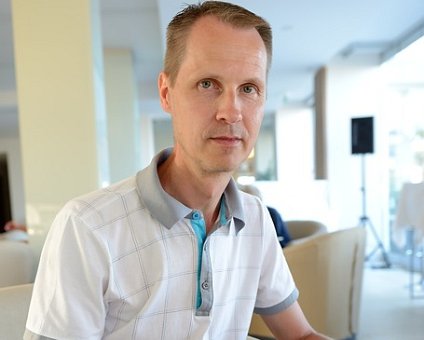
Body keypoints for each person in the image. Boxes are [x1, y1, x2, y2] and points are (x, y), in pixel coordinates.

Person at [25, 2, 331, 339]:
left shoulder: (255, 219)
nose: (232, 112)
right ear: (166, 93)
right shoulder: (87, 228)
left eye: (249, 89)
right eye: (207, 84)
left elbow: (300, 335)